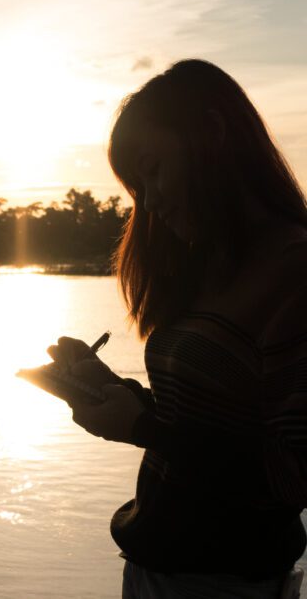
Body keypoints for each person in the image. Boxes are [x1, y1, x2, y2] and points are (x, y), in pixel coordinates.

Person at [48, 59, 307, 598]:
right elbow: (210, 420)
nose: (149, 201)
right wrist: (116, 393)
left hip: (224, 584)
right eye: (137, 187)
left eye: (153, 170)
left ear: (213, 133)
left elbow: (293, 472)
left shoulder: (294, 273)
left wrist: (144, 427)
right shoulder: (210, 266)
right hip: (154, 571)